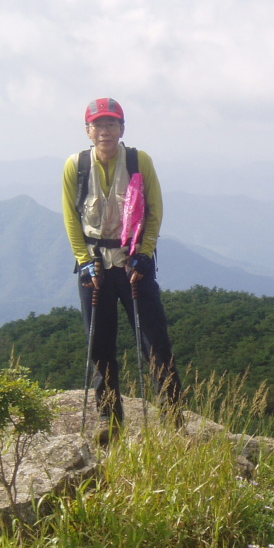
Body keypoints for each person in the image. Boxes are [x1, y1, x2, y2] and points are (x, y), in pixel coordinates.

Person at [62, 97, 182, 432]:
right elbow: (71, 219)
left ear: (122, 128)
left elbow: (154, 210)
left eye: (111, 124)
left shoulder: (138, 161)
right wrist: (84, 261)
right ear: (88, 130)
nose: (105, 131)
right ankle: (108, 416)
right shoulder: (76, 166)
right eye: (98, 124)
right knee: (100, 344)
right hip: (95, 267)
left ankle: (173, 415)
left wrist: (144, 253)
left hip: (133, 264)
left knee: (155, 342)